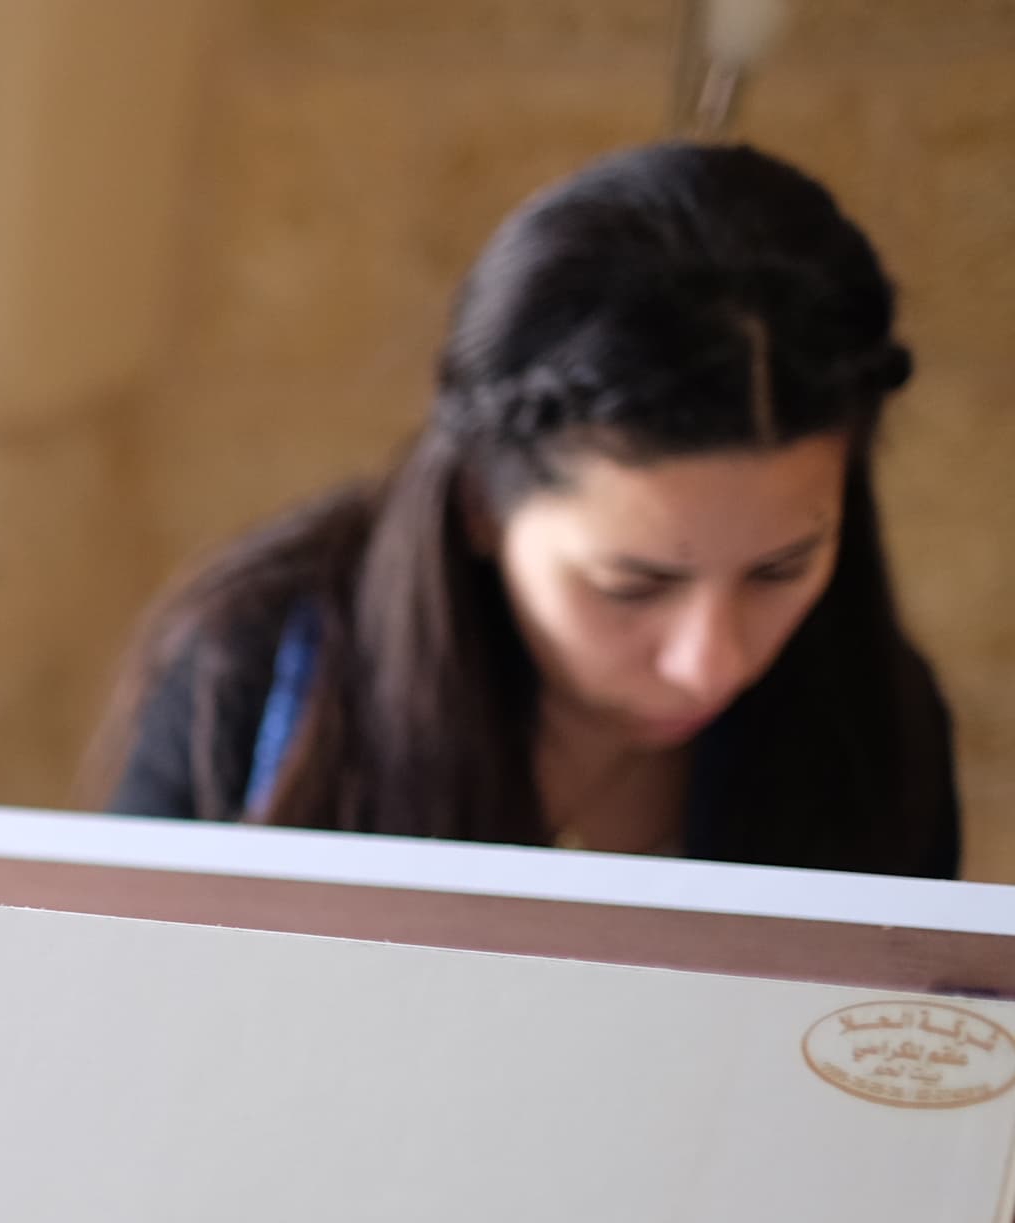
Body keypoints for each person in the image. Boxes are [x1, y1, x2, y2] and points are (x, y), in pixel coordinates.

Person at [100, 141, 961, 877]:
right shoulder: (258, 677)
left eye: (781, 571)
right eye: (632, 586)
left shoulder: (871, 722)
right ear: (480, 505)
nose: (712, 664)